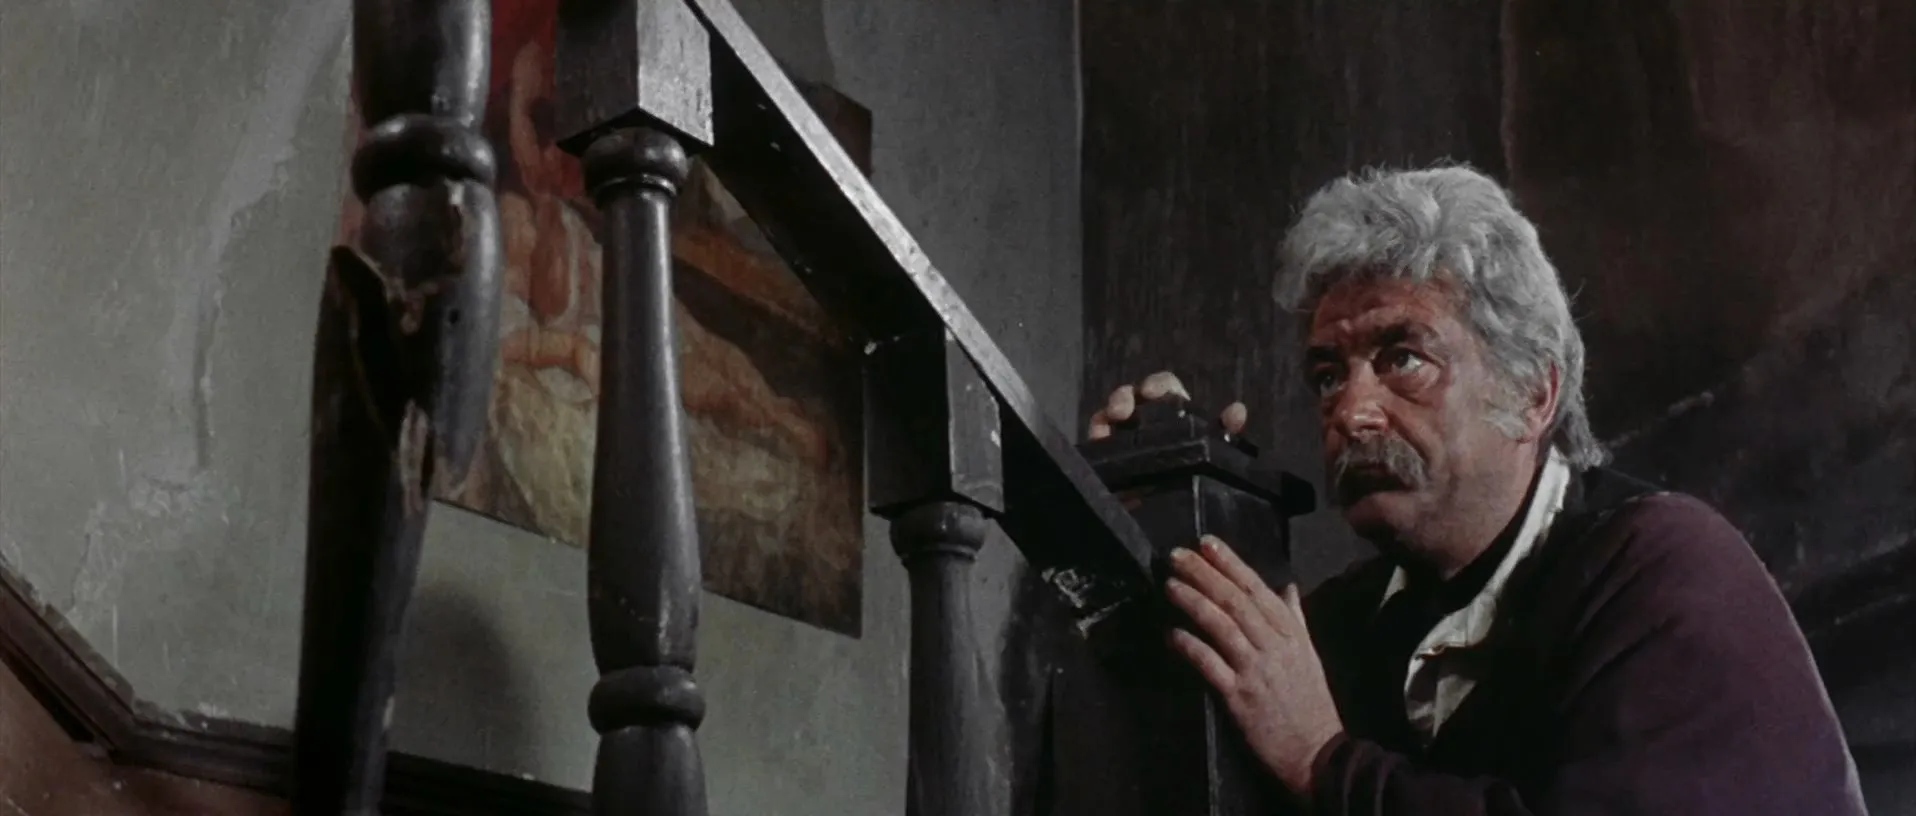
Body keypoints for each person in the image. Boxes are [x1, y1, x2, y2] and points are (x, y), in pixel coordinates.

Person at [1088, 165, 1868, 814]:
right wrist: (1125, 526)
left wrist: (1322, 760)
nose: (1352, 412)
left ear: (1532, 393)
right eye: (1328, 374)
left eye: (1403, 359)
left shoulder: (1666, 573)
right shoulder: (1345, 629)